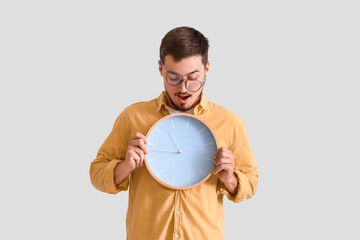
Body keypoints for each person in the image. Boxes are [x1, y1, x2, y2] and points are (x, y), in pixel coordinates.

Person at [90, 26, 259, 240]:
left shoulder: (229, 122)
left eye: (192, 78)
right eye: (174, 77)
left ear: (207, 69)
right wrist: (124, 167)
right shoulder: (133, 117)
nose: (183, 88)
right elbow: (96, 173)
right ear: (160, 69)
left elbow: (252, 182)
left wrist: (230, 179)